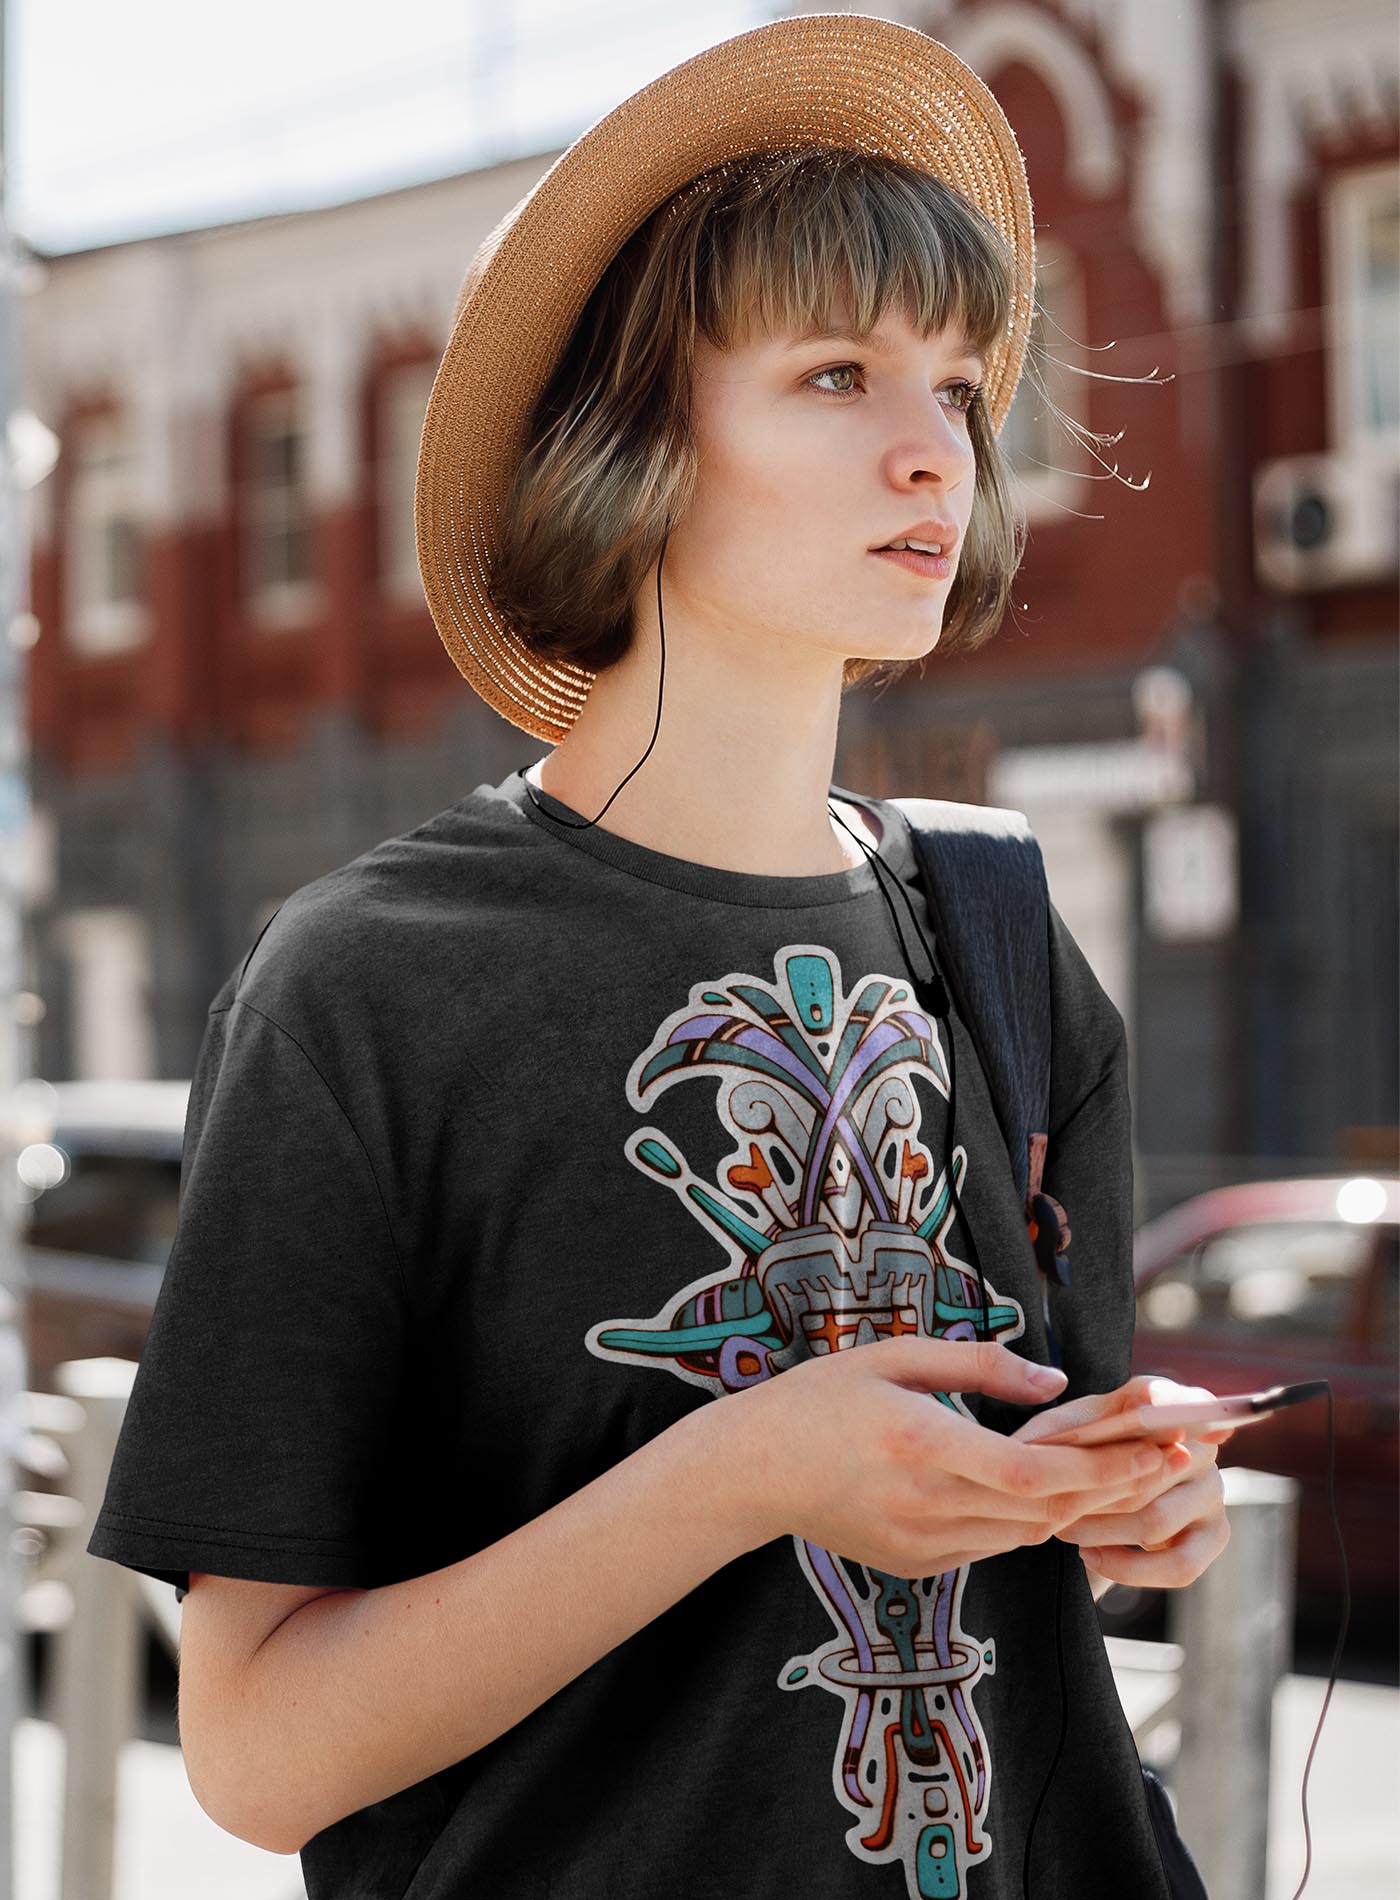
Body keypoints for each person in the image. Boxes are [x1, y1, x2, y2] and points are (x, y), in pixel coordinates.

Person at [87, 16, 1231, 1898]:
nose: (931, 448)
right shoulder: (370, 983)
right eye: (838, 372)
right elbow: (259, 1749)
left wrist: (1114, 1503)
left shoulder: (1012, 945)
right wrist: (746, 1472)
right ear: (629, 443)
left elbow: (1019, 1554)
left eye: (957, 386)